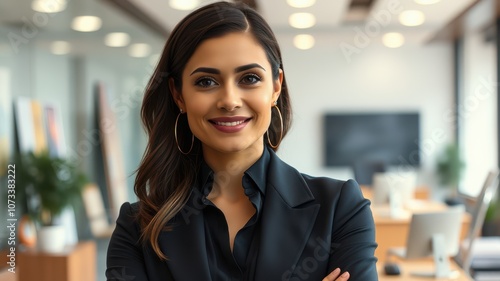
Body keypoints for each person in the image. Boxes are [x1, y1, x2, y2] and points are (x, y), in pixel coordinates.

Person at [106, 1, 378, 280]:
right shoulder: (137, 228)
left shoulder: (341, 209)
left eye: (249, 78)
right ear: (178, 95)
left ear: (275, 87)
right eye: (206, 82)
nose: (229, 101)